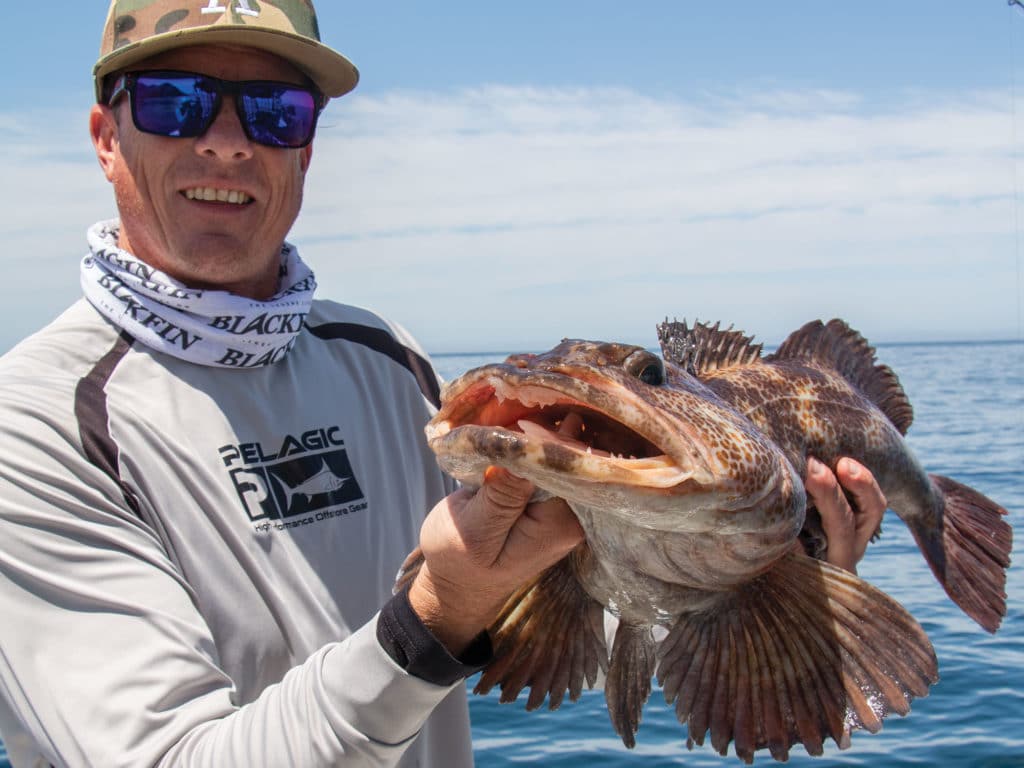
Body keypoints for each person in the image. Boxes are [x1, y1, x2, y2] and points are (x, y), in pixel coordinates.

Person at [0, 2, 887, 766]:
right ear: (106, 138)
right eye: (175, 101)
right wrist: (432, 617)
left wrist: (772, 577)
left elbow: (571, 591)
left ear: (305, 151)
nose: (226, 142)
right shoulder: (37, 424)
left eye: (274, 111)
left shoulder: (385, 357)